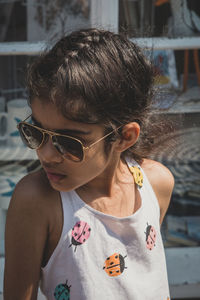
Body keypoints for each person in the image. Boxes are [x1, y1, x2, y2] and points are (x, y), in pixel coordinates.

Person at [4, 28, 174, 300]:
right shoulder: (39, 202)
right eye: (36, 131)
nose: (46, 155)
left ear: (124, 137)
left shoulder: (156, 184)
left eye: (69, 142)